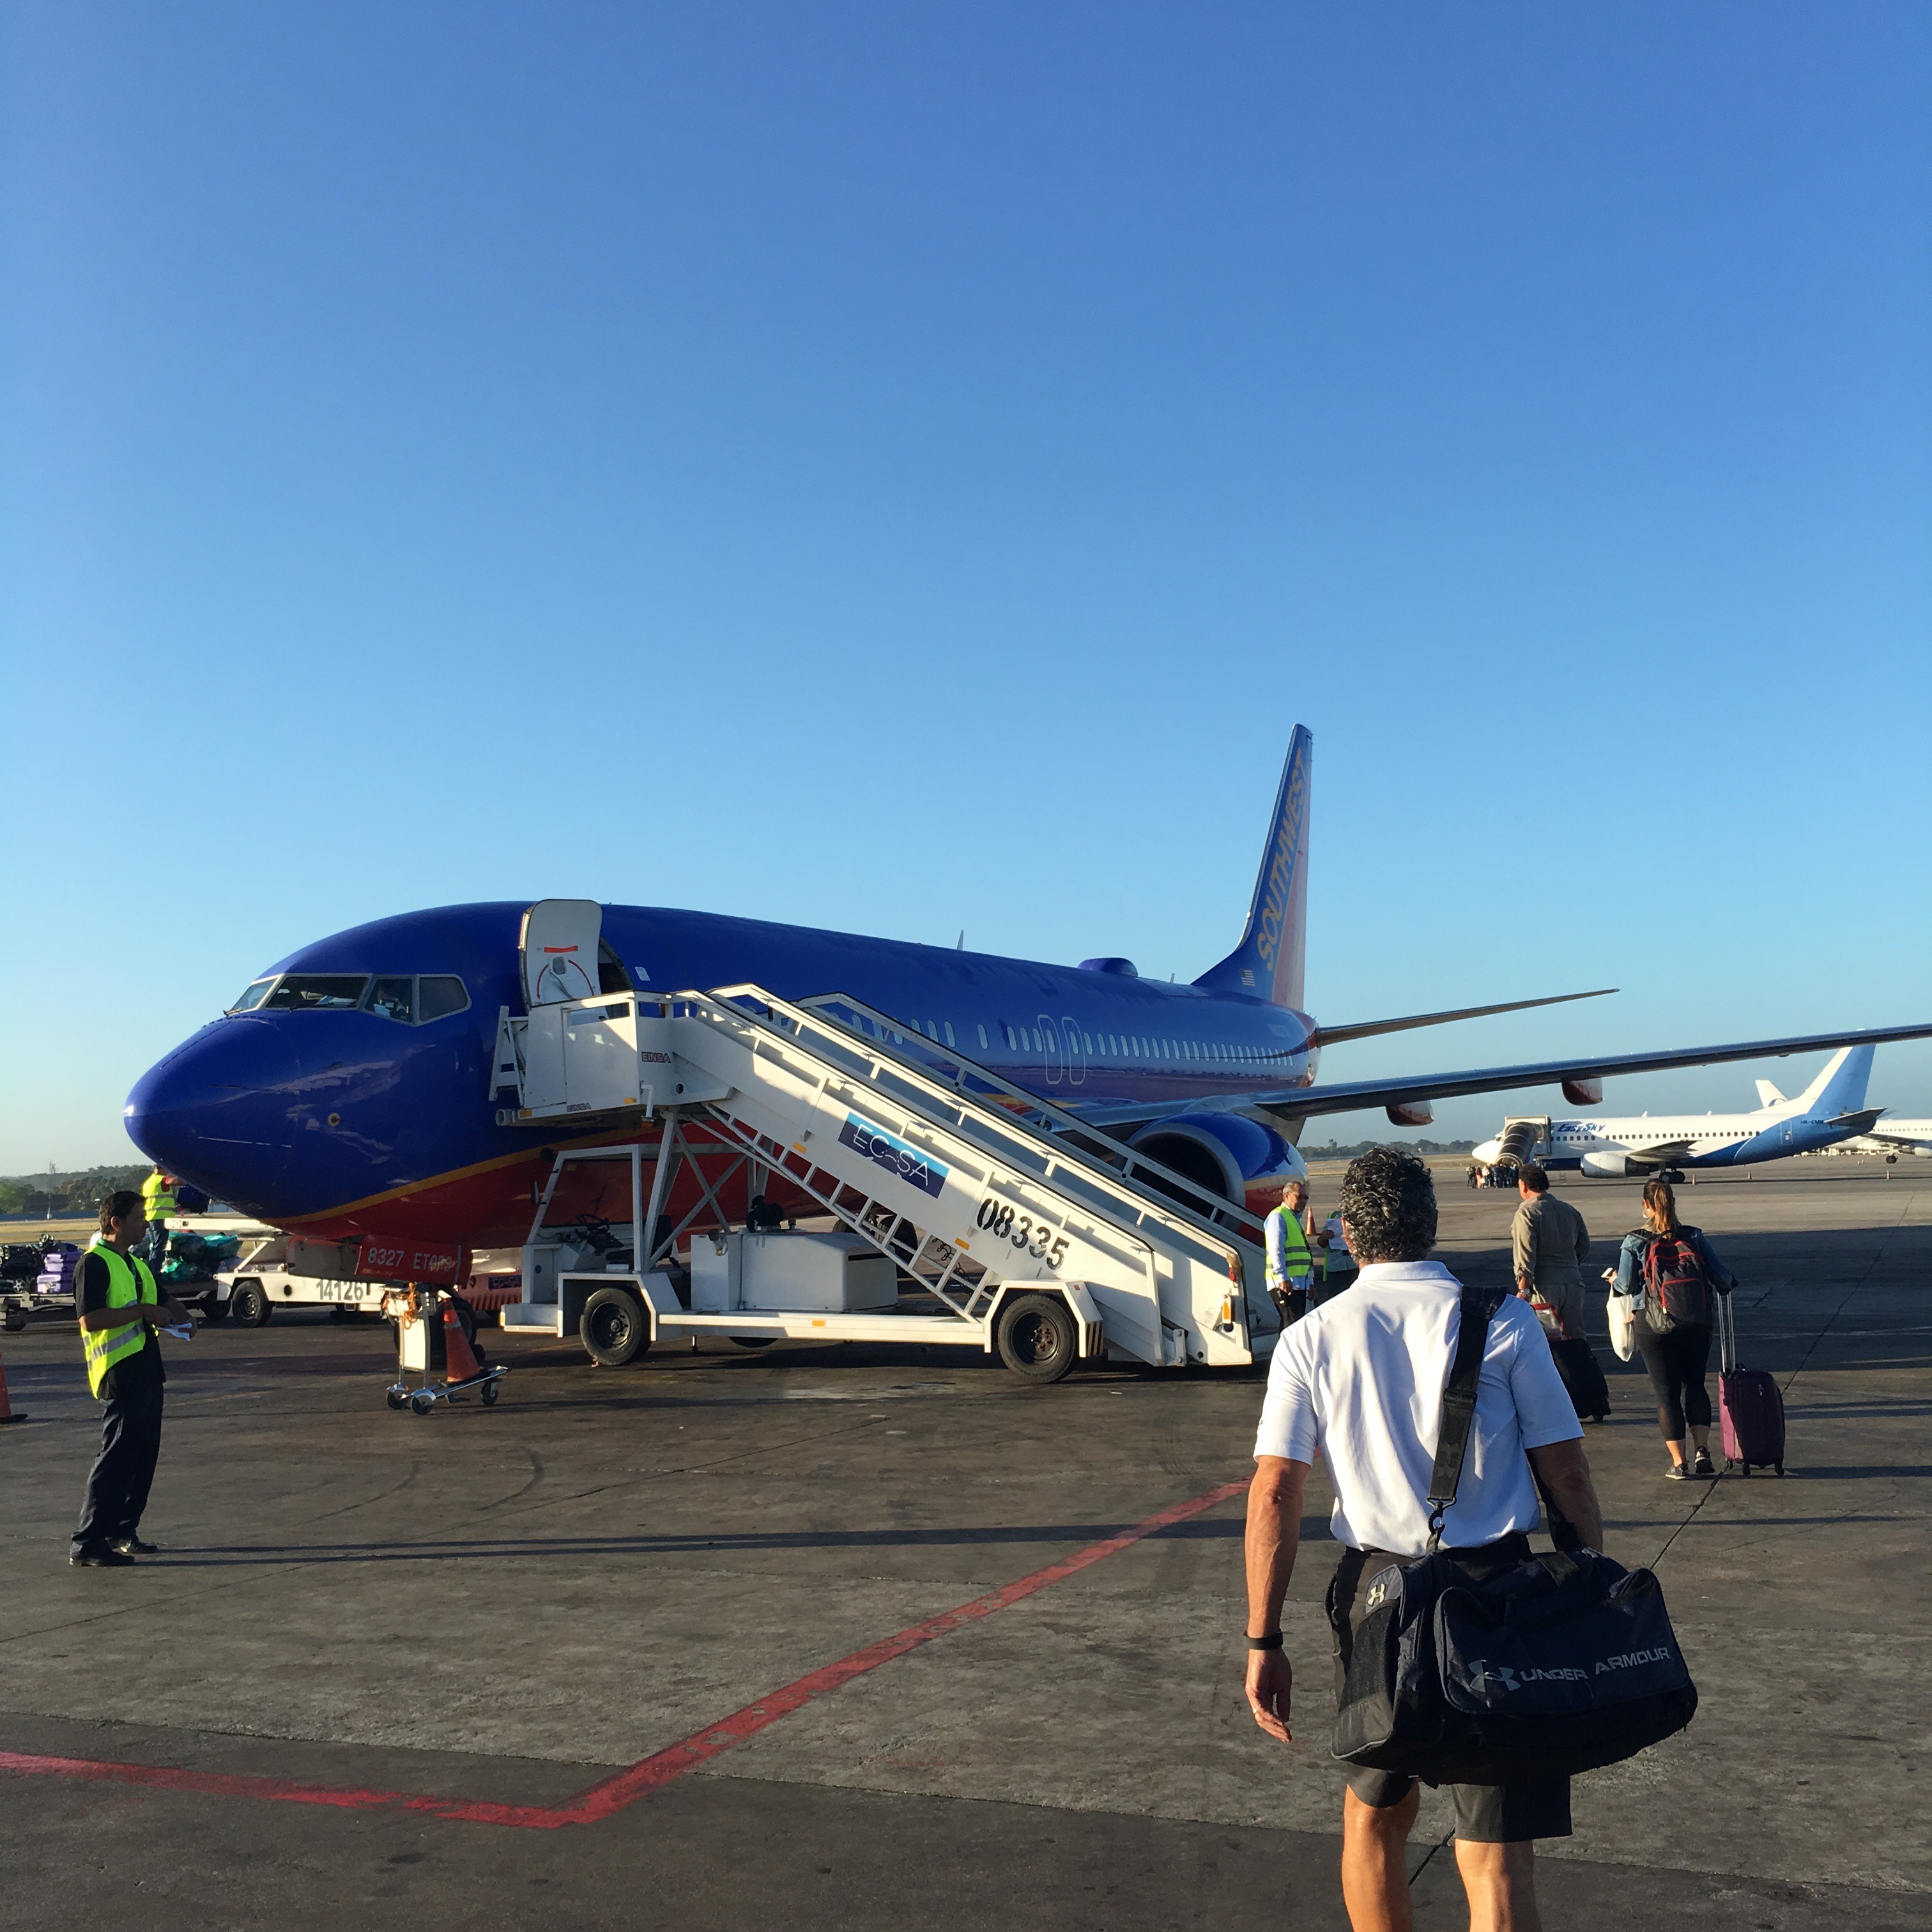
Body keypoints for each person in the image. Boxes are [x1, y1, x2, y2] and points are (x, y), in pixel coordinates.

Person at [1244, 1147, 1604, 1932]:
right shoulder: (1503, 1320)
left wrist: (1263, 1637)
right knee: (1497, 1849)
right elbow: (1567, 1472)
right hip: (1497, 1598)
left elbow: (1276, 1490)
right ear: (1432, 1226)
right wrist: (1585, 1582)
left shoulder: (1312, 1336)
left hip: (1378, 1595)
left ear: (1347, 1233)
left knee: (1374, 1818)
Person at [70, 1190, 198, 1567]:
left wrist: (184, 1317)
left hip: (147, 1370)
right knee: (115, 1457)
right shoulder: (94, 1264)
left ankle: (123, 1531)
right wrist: (144, 1310)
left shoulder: (137, 1264)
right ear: (117, 1223)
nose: (146, 1223)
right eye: (140, 1217)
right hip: (118, 1372)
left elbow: (163, 1296)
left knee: (143, 1457)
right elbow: (89, 1319)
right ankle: (87, 1542)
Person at [1613, 1179, 1736, 1481]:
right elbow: (1722, 1277)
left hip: (1654, 1323)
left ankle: (1679, 1464)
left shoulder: (1635, 1241)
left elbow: (1626, 1286)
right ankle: (1703, 1452)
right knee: (1695, 1385)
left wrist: (1614, 1281)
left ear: (1646, 1206)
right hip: (1696, 1319)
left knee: (1666, 1395)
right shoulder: (1693, 1236)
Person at [1510, 1165, 1591, 1337]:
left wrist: (1522, 1290)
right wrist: (1570, 1264)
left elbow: (1526, 1255)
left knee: (1545, 1339)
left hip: (1545, 1287)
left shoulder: (1527, 1213)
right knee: (1575, 1337)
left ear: (1523, 1185)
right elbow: (1584, 1245)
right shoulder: (1569, 1210)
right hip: (1573, 1283)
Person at [1263, 1179, 1323, 1322]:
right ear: (1286, 1196)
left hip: (1298, 1283)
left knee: (1290, 1325)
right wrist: (1283, 1277)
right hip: (1286, 1283)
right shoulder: (1278, 1217)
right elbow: (1276, 1249)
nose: (1303, 1201)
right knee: (1291, 1324)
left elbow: (1305, 1254)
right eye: (1299, 1197)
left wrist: (1310, 1283)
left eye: (1305, 1198)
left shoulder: (1294, 1219)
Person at [139, 1163, 176, 1276]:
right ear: (159, 1169)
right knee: (159, 1247)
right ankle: (154, 1273)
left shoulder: (148, 1183)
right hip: (160, 1218)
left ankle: (152, 1271)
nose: (168, 1172)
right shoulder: (162, 1180)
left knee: (155, 1245)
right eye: (167, 1169)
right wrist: (188, 1178)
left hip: (151, 1217)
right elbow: (174, 1181)